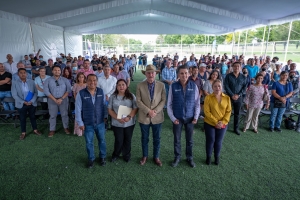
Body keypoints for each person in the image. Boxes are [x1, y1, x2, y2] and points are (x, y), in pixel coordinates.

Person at [167, 66, 200, 168]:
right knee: (177, 139)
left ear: (189, 74)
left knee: (189, 140)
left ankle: (189, 158)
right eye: (182, 73)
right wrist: (173, 118)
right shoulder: (173, 86)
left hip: (190, 118)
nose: (184, 75)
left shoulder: (194, 86)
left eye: (186, 73)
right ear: (178, 74)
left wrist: (196, 117)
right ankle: (177, 157)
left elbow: (197, 103)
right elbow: (169, 104)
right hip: (177, 119)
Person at [136, 65, 166, 166]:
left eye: (152, 72)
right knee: (144, 138)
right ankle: (145, 156)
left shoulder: (161, 85)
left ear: (155, 74)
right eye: (148, 73)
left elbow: (163, 100)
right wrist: (148, 111)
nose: (151, 74)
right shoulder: (140, 85)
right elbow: (138, 101)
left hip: (157, 117)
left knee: (157, 138)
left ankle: (156, 157)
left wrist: (155, 111)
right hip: (144, 117)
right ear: (146, 74)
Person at [75, 74, 108, 168]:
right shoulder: (81, 93)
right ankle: (91, 159)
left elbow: (104, 105)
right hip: (87, 123)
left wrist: (105, 117)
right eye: (90, 80)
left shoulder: (101, 91)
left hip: (100, 122)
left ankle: (102, 157)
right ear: (86, 81)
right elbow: (78, 109)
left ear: (97, 81)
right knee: (89, 142)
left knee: (102, 140)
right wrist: (80, 123)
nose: (92, 82)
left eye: (94, 80)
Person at [108, 79, 138, 162]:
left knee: (127, 139)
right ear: (116, 87)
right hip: (116, 122)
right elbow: (110, 110)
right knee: (119, 139)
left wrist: (129, 117)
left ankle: (126, 154)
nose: (121, 86)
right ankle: (115, 154)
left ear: (126, 85)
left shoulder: (131, 96)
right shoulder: (113, 97)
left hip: (129, 122)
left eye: (123, 84)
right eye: (119, 85)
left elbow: (135, 108)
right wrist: (118, 118)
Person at [204, 79, 231, 165]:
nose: (217, 88)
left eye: (219, 86)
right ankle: (208, 156)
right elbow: (207, 112)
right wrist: (216, 122)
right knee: (210, 140)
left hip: (223, 124)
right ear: (212, 88)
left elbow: (228, 111)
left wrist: (222, 122)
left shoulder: (227, 98)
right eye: (215, 86)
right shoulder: (208, 97)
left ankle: (216, 157)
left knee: (218, 141)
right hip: (210, 123)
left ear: (221, 87)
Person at [11, 68, 41, 140]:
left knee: (33, 117)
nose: (23, 74)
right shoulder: (15, 83)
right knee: (22, 118)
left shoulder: (32, 82)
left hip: (31, 103)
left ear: (26, 74)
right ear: (18, 74)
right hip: (21, 104)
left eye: (24, 72)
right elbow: (14, 95)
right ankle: (23, 132)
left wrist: (32, 101)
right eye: (21, 73)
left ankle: (35, 130)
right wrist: (23, 102)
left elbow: (35, 93)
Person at [43, 66, 72, 137]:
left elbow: (68, 90)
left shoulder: (65, 80)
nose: (57, 72)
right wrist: (55, 99)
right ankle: (52, 129)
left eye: (59, 70)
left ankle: (66, 127)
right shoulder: (48, 80)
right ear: (52, 71)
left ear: (61, 71)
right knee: (52, 115)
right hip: (52, 100)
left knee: (64, 114)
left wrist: (61, 99)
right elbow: (46, 91)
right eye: (55, 70)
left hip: (63, 100)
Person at [224, 62, 247, 135]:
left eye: (238, 66)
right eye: (235, 66)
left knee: (237, 114)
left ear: (240, 67)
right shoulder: (228, 76)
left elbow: (244, 87)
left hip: (239, 98)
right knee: (227, 112)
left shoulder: (243, 77)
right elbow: (226, 86)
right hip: (229, 97)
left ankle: (235, 128)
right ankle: (225, 126)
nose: (236, 67)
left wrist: (238, 95)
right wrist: (232, 95)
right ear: (232, 67)